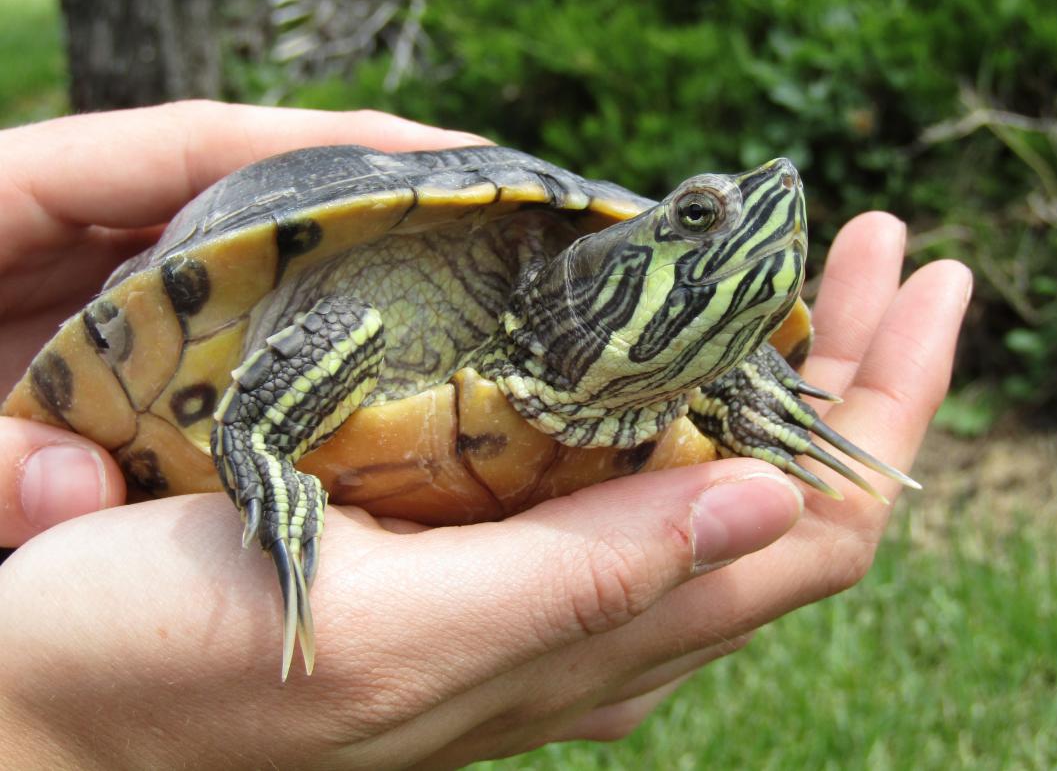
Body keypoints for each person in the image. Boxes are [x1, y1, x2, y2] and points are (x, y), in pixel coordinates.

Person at [0, 101, 971, 768]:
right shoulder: (436, 274)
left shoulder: (689, 375)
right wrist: (48, 726)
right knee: (339, 344)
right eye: (698, 220)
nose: (767, 209)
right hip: (203, 388)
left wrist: (751, 389)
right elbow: (331, 322)